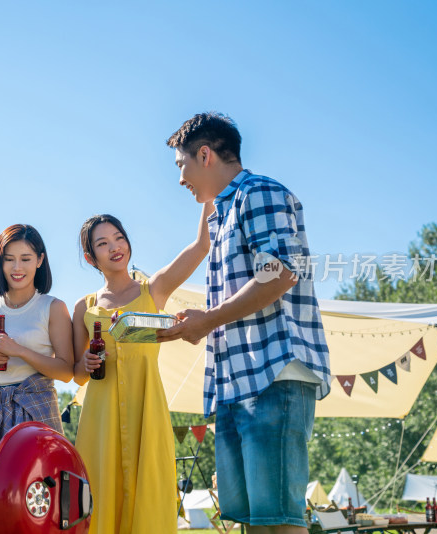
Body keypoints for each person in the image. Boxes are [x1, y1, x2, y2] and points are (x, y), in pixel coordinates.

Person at [157, 112, 332, 534]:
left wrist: (208, 320)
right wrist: (199, 322)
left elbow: (281, 272)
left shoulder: (260, 192)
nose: (181, 179)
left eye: (181, 165)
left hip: (275, 374)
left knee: (279, 522)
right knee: (254, 523)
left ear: (204, 155)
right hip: (236, 385)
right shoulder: (222, 216)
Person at [72, 205, 211, 534]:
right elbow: (75, 373)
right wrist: (86, 363)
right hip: (99, 419)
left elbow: (201, 246)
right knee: (100, 495)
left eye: (119, 238)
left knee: (149, 493)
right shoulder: (84, 307)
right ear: (91, 258)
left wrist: (208, 195)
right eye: (103, 243)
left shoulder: (153, 289)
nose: (115, 246)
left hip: (146, 410)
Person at [0, 224, 74, 448]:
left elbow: (66, 372)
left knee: (40, 480)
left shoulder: (53, 307)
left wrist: (19, 351)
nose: (17, 267)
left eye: (25, 258)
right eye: (9, 259)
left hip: (38, 409)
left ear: (39, 260)